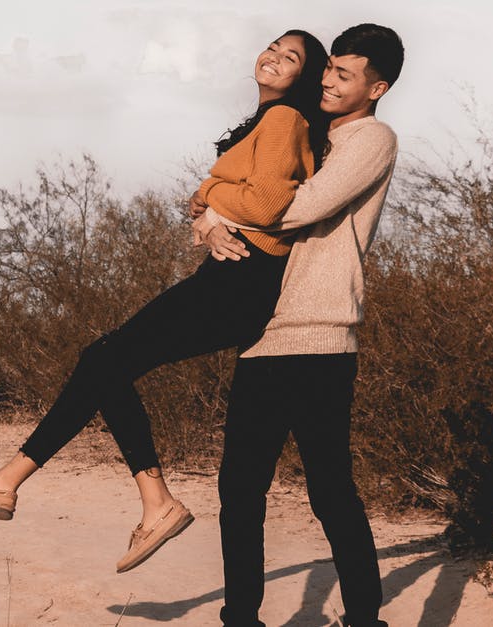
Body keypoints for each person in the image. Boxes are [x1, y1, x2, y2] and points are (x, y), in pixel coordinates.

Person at [0, 29, 330, 575]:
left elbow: (265, 204)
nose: (275, 58)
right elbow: (229, 203)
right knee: (105, 361)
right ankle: (141, 503)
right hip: (230, 275)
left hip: (244, 279)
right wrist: (204, 214)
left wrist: (206, 198)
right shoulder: (265, 121)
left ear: (303, 78)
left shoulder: (286, 119)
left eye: (292, 58)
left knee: (104, 359)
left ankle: (16, 485)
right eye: (273, 47)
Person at [192, 23, 403, 627]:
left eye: (344, 73)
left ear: (377, 87)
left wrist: (214, 204)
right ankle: (242, 619)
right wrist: (207, 217)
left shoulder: (372, 138)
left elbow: (290, 208)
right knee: (238, 490)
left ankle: (365, 619)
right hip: (263, 331)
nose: (328, 80)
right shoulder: (306, 130)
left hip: (320, 334)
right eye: (328, 67)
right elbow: (238, 192)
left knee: (330, 493)